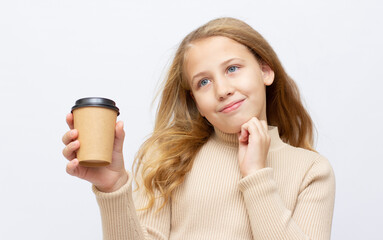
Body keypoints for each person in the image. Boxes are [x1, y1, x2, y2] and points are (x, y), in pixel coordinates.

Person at [62, 17, 335, 240]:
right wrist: (114, 188)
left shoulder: (311, 172)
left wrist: (256, 175)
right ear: (195, 101)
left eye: (232, 68)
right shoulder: (169, 162)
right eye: (203, 82)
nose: (223, 90)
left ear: (265, 70)